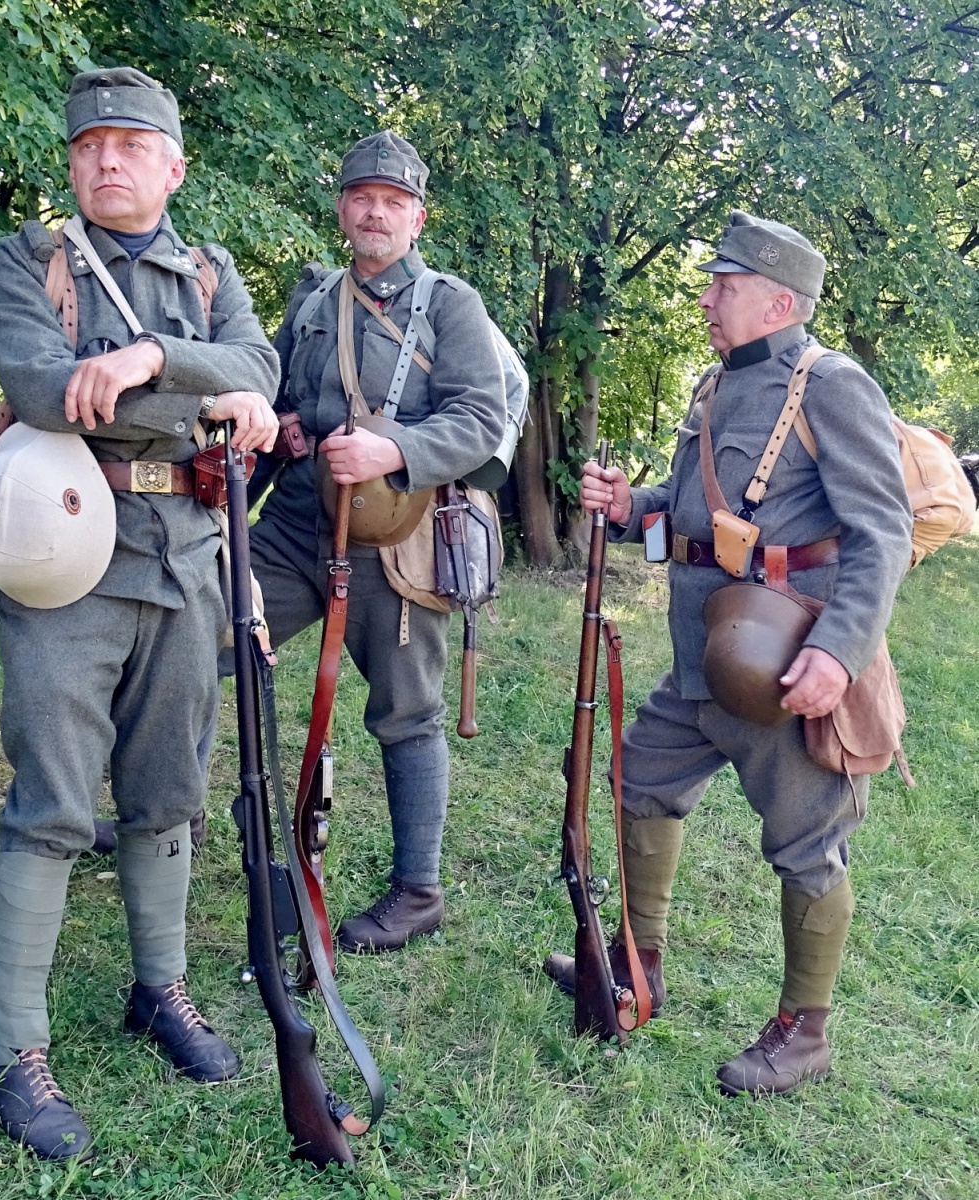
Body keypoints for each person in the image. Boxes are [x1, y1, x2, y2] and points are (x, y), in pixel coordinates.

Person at [0, 67, 281, 1160]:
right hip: (64, 554)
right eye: (90, 145)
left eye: (131, 145)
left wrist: (152, 357)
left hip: (188, 556)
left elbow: (263, 366)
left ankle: (160, 991)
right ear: (72, 162)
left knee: (168, 792)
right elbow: (44, 387)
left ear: (172, 167)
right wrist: (205, 389)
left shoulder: (210, 272)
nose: (108, 161)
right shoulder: (31, 262)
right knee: (52, 802)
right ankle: (10, 1049)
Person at [545, 211, 912, 1095]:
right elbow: (699, 512)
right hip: (703, 658)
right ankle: (638, 964)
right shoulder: (716, 384)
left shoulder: (832, 386)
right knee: (639, 780)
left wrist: (838, 653)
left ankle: (803, 1032)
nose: (708, 300)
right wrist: (632, 508)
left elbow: (883, 533)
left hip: (785, 664)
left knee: (808, 844)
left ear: (779, 302)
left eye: (726, 287)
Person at [247, 132, 506, 953]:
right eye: (363, 198)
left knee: (407, 714)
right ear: (342, 209)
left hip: (395, 539)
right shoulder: (313, 301)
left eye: (394, 202)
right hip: (294, 529)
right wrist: (282, 432)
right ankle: (166, 821)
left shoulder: (450, 306)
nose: (376, 213)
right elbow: (273, 398)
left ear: (417, 218)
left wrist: (394, 451)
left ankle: (418, 890)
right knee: (207, 642)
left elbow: (481, 418)